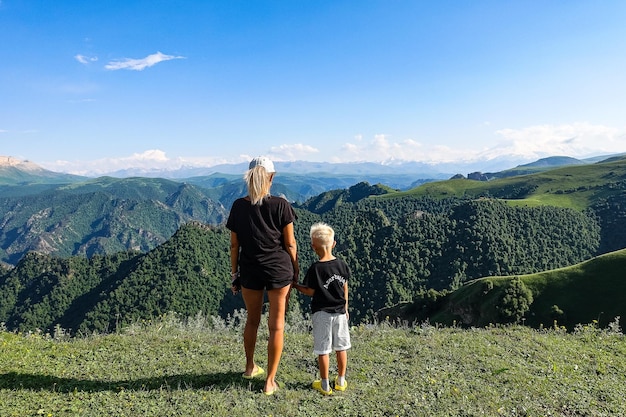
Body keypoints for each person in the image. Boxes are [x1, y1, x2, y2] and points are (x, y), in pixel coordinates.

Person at [226, 156, 299, 395]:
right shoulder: (281, 205)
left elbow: (234, 245)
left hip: (250, 270)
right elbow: (290, 244)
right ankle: (269, 381)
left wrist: (234, 273)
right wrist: (295, 270)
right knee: (276, 327)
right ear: (271, 177)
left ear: (248, 178)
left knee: (252, 321)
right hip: (279, 271)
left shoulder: (238, 206)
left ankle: (249, 367)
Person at [293, 222, 351, 395]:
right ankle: (341, 380)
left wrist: (296, 286)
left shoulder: (315, 269)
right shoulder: (342, 265)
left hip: (322, 314)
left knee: (323, 350)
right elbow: (345, 287)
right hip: (340, 313)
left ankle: (325, 385)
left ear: (313, 247)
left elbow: (310, 291)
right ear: (333, 244)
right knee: (341, 347)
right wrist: (346, 307)